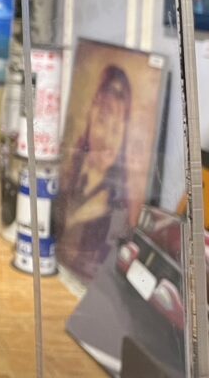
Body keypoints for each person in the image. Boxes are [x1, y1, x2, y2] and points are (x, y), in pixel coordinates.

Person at [54, 64, 132, 281]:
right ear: (91, 116)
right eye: (102, 121)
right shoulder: (68, 176)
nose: (109, 140)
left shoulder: (112, 204)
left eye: (117, 130)